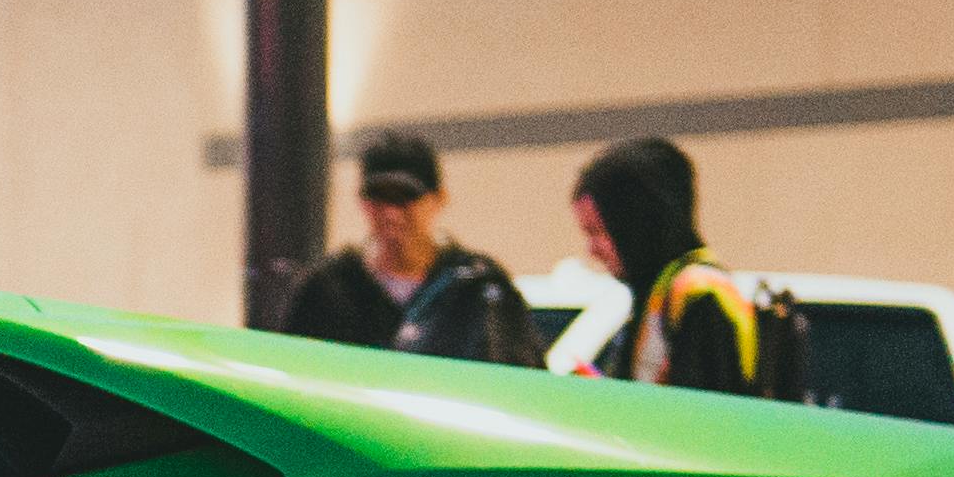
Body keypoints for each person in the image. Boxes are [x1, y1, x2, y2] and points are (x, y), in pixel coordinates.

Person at [280, 130, 541, 366]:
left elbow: (521, 376)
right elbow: (291, 372)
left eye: (405, 197)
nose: (391, 213)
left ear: (438, 199)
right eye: (378, 198)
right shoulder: (326, 289)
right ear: (362, 202)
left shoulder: (477, 289)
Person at [568, 135, 777, 395]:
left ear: (636, 223)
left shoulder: (700, 293)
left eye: (598, 231)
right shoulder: (663, 290)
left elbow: (700, 409)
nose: (592, 250)